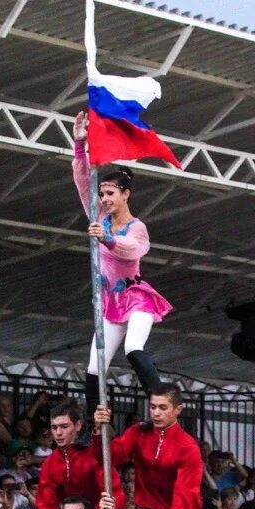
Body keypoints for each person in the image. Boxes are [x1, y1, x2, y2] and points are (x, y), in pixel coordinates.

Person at [72, 111, 172, 417]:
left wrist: (107, 240)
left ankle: (161, 405)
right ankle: (93, 424)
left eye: (110, 193)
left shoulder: (135, 227)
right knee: (93, 365)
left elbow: (133, 250)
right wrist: (80, 144)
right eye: (102, 193)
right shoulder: (98, 217)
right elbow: (81, 179)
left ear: (125, 194)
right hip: (111, 303)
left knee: (133, 347)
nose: (104, 198)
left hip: (136, 298)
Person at [12, 401, 124, 509]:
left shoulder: (94, 454)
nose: (58, 433)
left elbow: (115, 498)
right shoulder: (50, 464)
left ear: (77, 426)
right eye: (54, 427)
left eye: (64, 427)